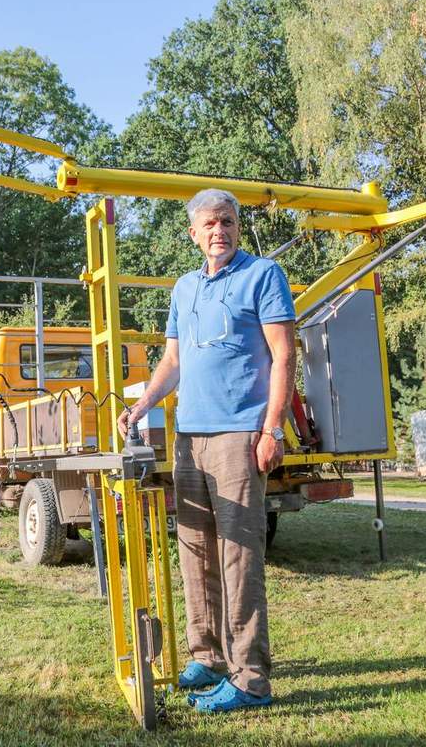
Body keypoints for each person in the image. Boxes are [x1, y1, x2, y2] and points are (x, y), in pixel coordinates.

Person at [117, 188, 296, 714]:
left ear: (238, 227)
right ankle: (209, 656)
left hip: (240, 434)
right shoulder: (184, 288)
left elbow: (284, 355)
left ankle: (250, 679)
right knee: (194, 549)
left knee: (239, 557)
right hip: (189, 438)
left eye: (228, 222)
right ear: (193, 234)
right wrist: (143, 403)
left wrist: (272, 431)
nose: (219, 230)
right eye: (209, 224)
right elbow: (172, 361)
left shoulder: (263, 276)